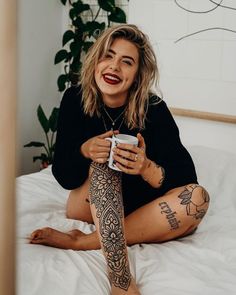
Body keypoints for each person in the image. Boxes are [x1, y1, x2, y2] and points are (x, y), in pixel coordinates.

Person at [30, 24, 210, 295]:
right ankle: (121, 281)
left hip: (136, 207)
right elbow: (64, 176)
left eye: (127, 62)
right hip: (87, 202)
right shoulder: (74, 99)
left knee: (198, 199)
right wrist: (85, 151)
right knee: (105, 164)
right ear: (96, 61)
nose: (114, 67)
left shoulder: (155, 110)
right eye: (108, 56)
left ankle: (85, 241)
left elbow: (185, 176)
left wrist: (147, 168)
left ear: (137, 75)